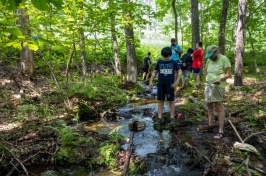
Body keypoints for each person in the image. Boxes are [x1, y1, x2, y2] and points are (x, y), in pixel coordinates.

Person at [149, 47, 182, 125]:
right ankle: (160, 117)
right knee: (160, 100)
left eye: (167, 56)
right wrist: (150, 81)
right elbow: (154, 72)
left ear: (170, 55)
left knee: (171, 101)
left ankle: (172, 117)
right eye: (164, 56)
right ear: (162, 55)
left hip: (170, 85)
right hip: (161, 84)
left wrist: (176, 82)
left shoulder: (174, 62)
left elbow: (179, 72)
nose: (165, 57)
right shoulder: (159, 62)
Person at [204, 45, 231, 139]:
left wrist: (221, 79)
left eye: (212, 55)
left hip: (219, 86)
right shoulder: (209, 60)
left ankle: (221, 131)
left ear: (216, 52)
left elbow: (229, 74)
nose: (210, 57)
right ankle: (210, 126)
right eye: (209, 56)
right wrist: (207, 78)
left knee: (219, 106)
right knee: (209, 105)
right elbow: (206, 70)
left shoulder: (224, 59)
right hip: (209, 85)